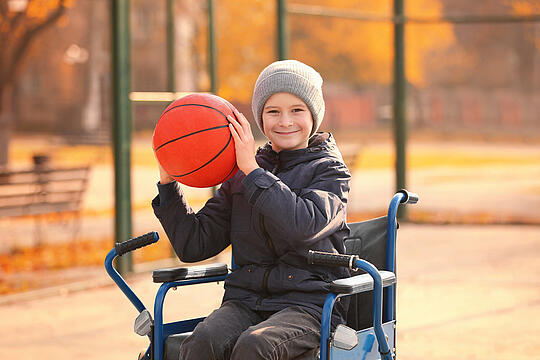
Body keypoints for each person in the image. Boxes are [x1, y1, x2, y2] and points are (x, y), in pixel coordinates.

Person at [152, 59, 351, 360]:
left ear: (314, 115)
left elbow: (303, 226)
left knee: (255, 346)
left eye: (297, 110)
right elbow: (194, 245)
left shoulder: (330, 172)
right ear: (259, 118)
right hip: (245, 301)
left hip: (309, 306)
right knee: (202, 340)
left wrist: (253, 172)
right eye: (273, 111)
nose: (285, 121)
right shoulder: (240, 177)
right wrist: (168, 185)